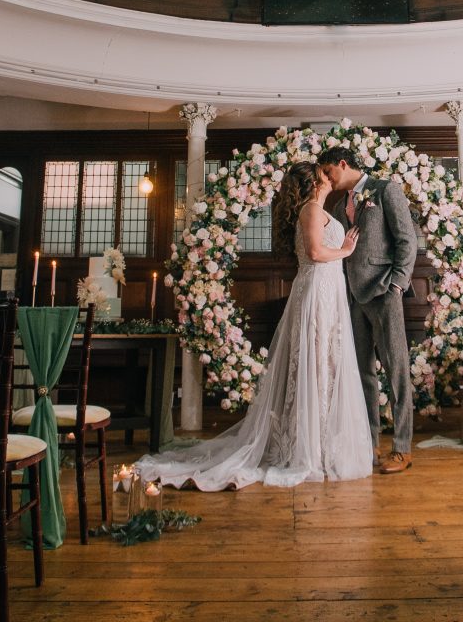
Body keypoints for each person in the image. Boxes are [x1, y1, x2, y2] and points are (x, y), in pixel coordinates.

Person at [136, 162, 372, 490]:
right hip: (318, 292)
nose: (329, 176)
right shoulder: (310, 211)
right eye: (323, 173)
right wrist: (345, 250)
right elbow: (317, 252)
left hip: (326, 291)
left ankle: (321, 442)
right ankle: (311, 447)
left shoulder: (319, 209)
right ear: (313, 181)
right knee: (317, 363)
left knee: (326, 365)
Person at [317, 146, 417, 475]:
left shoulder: (385, 190)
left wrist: (398, 284)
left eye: (330, 172)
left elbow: (407, 240)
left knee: (397, 370)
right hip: (352, 295)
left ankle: (402, 448)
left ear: (343, 165)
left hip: (384, 290)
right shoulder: (335, 202)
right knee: (362, 372)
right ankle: (369, 443)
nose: (328, 179)